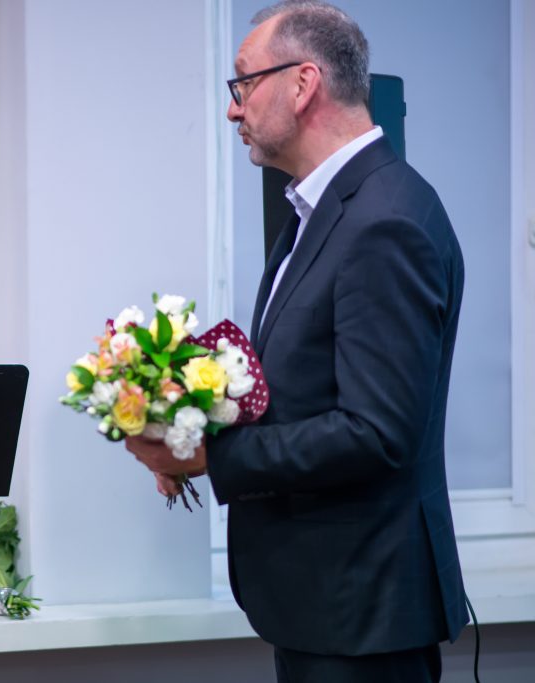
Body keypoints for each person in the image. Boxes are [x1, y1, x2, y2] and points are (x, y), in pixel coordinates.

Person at [127, 2, 467, 681]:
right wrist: (193, 412)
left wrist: (211, 460)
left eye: (244, 83)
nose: (233, 109)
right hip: (328, 605)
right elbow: (307, 387)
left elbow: (375, 431)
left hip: (362, 612)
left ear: (304, 83)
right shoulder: (326, 210)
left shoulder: (383, 221)